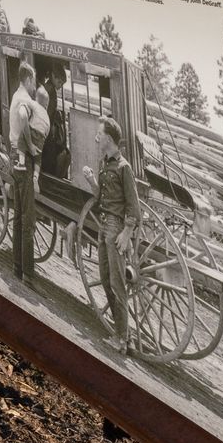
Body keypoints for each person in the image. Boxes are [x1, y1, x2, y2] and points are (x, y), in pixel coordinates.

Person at [86, 115, 142, 355]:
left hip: (116, 229)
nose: (97, 139)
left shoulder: (123, 167)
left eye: (99, 135)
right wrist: (91, 181)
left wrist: (127, 233)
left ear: (108, 139)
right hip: (104, 226)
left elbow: (134, 207)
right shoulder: (104, 164)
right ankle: (122, 335)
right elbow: (101, 198)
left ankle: (122, 339)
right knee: (106, 278)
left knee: (118, 285)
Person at [7, 61, 49, 286]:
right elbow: (24, 116)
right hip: (24, 158)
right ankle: (27, 275)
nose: (35, 86)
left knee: (18, 215)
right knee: (27, 218)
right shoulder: (25, 100)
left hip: (15, 155)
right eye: (34, 82)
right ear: (29, 79)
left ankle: (17, 266)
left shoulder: (16, 95)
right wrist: (31, 144)